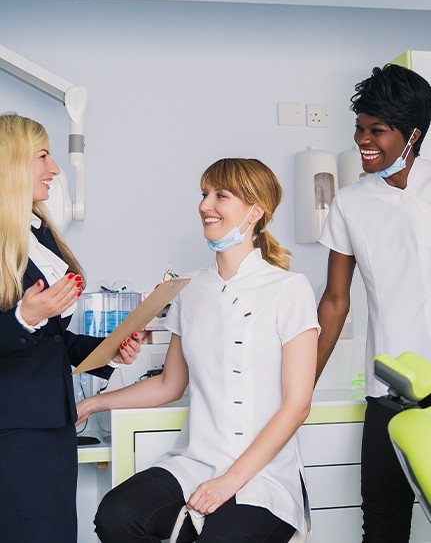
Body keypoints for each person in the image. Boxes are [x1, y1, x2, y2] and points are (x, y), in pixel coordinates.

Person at [76, 157, 319, 543]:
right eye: (204, 194)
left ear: (254, 212)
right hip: (198, 462)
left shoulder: (289, 289)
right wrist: (90, 405)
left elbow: (298, 404)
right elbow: (169, 385)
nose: (205, 205)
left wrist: (229, 482)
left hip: (264, 475)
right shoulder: (189, 289)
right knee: (116, 516)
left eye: (220, 195)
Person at [0, 113, 143, 543]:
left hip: (51, 426)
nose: (55, 169)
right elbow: (27, 328)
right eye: (43, 156)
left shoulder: (37, 234)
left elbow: (52, 340)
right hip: (14, 434)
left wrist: (107, 349)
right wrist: (25, 317)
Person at [316, 64, 431, 542]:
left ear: (412, 135)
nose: (363, 139)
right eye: (360, 128)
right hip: (389, 396)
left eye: (377, 130)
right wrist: (300, 389)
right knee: (382, 528)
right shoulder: (350, 203)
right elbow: (335, 303)